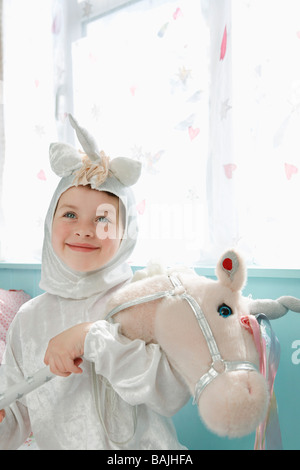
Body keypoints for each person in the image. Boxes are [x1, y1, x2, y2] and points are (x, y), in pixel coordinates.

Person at [0, 116, 190, 450]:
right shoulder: (28, 320)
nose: (85, 229)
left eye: (103, 219)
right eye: (70, 215)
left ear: (125, 231)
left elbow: (170, 393)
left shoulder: (142, 302)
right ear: (50, 223)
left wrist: (95, 338)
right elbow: (15, 418)